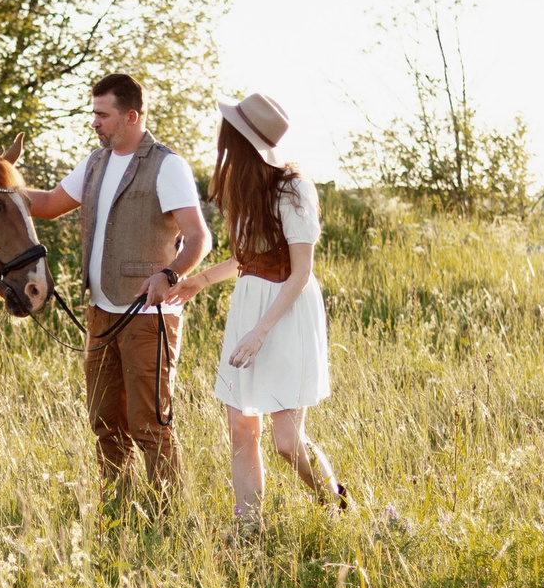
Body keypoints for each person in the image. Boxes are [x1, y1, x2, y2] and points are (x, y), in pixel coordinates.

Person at [21, 73, 210, 491]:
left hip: (147, 317)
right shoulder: (95, 162)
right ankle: (118, 508)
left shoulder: (167, 165)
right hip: (100, 315)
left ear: (131, 115)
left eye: (102, 115)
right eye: (94, 114)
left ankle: (167, 519)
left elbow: (199, 237)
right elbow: (51, 205)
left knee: (150, 426)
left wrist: (169, 274)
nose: (95, 123)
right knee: (105, 421)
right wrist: (0, 187)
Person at [167, 92, 350, 522]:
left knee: (287, 442)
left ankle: (336, 502)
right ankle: (248, 530)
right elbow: (247, 258)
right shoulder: (244, 189)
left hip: (285, 313)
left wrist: (260, 332)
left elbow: (300, 270)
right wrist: (200, 280)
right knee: (241, 428)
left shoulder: (294, 189)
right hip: (249, 306)